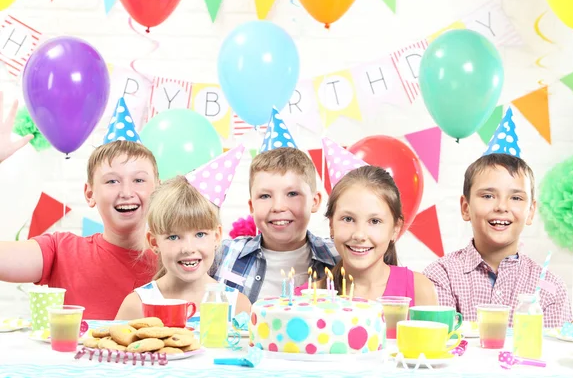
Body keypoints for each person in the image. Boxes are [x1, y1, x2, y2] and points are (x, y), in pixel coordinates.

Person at [0, 93, 159, 319]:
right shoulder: (61, 251)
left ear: (157, 189)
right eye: (112, 181)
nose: (126, 193)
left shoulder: (177, 258)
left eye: (139, 180)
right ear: (89, 193)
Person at [423, 153, 572, 327]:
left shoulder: (551, 289)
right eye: (488, 196)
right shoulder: (441, 276)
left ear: (530, 212)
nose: (501, 207)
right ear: (465, 208)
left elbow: (552, 352)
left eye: (516, 198)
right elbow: (440, 346)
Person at [211, 148, 339, 303]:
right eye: (265, 196)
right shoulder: (222, 255)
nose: (278, 207)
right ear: (252, 206)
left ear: (314, 201)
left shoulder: (338, 257)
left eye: (292, 194)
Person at [297, 165, 438, 305]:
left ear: (395, 229)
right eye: (348, 219)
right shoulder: (306, 299)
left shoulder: (419, 290)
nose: (359, 235)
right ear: (331, 225)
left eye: (375, 221)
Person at [115, 176, 251, 320]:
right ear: (154, 243)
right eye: (173, 237)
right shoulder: (137, 305)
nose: (188, 248)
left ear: (216, 236)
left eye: (200, 234)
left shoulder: (237, 305)